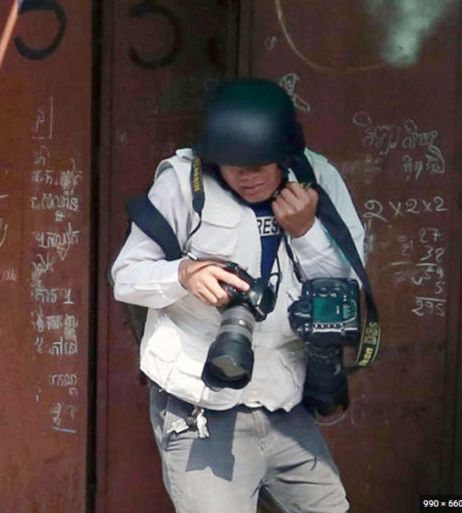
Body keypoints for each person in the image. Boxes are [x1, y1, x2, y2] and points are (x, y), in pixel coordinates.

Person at [111, 78, 364, 512]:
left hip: (284, 399)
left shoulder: (317, 179)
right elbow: (126, 277)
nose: (247, 176)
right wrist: (183, 273)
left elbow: (349, 286)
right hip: (201, 407)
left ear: (284, 155)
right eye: (233, 165)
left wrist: (305, 233)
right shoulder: (182, 184)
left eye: (260, 164)